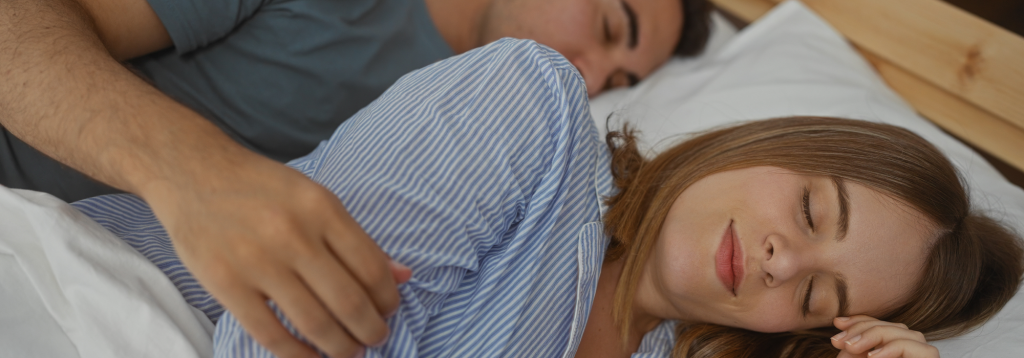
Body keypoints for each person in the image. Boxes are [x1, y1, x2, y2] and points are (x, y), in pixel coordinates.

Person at [72, 39, 1023, 358]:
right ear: (769, 149)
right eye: (812, 214)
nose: (783, 259)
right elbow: (275, 334)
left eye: (817, 298)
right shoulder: (532, 120)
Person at [0, 0, 712, 355]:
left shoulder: (531, 172)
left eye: (619, 79)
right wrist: (192, 170)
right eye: (611, 27)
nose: (591, 74)